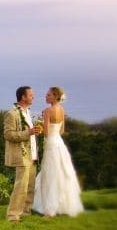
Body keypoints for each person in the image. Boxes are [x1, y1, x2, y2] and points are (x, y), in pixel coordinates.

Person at [32, 86, 84, 218]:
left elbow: (46, 133)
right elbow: (62, 130)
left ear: (55, 96)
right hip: (59, 143)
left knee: (51, 174)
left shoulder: (48, 111)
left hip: (51, 144)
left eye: (48, 95)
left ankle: (50, 210)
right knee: (60, 172)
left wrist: (40, 125)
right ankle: (62, 205)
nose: (46, 97)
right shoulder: (61, 109)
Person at [4, 86, 42, 224]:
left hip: (32, 154)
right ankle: (13, 216)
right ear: (23, 97)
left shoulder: (28, 112)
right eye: (31, 95)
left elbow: (30, 133)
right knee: (21, 186)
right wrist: (29, 133)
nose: (33, 97)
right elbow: (8, 135)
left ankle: (26, 211)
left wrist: (34, 132)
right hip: (21, 155)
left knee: (30, 186)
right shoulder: (12, 114)